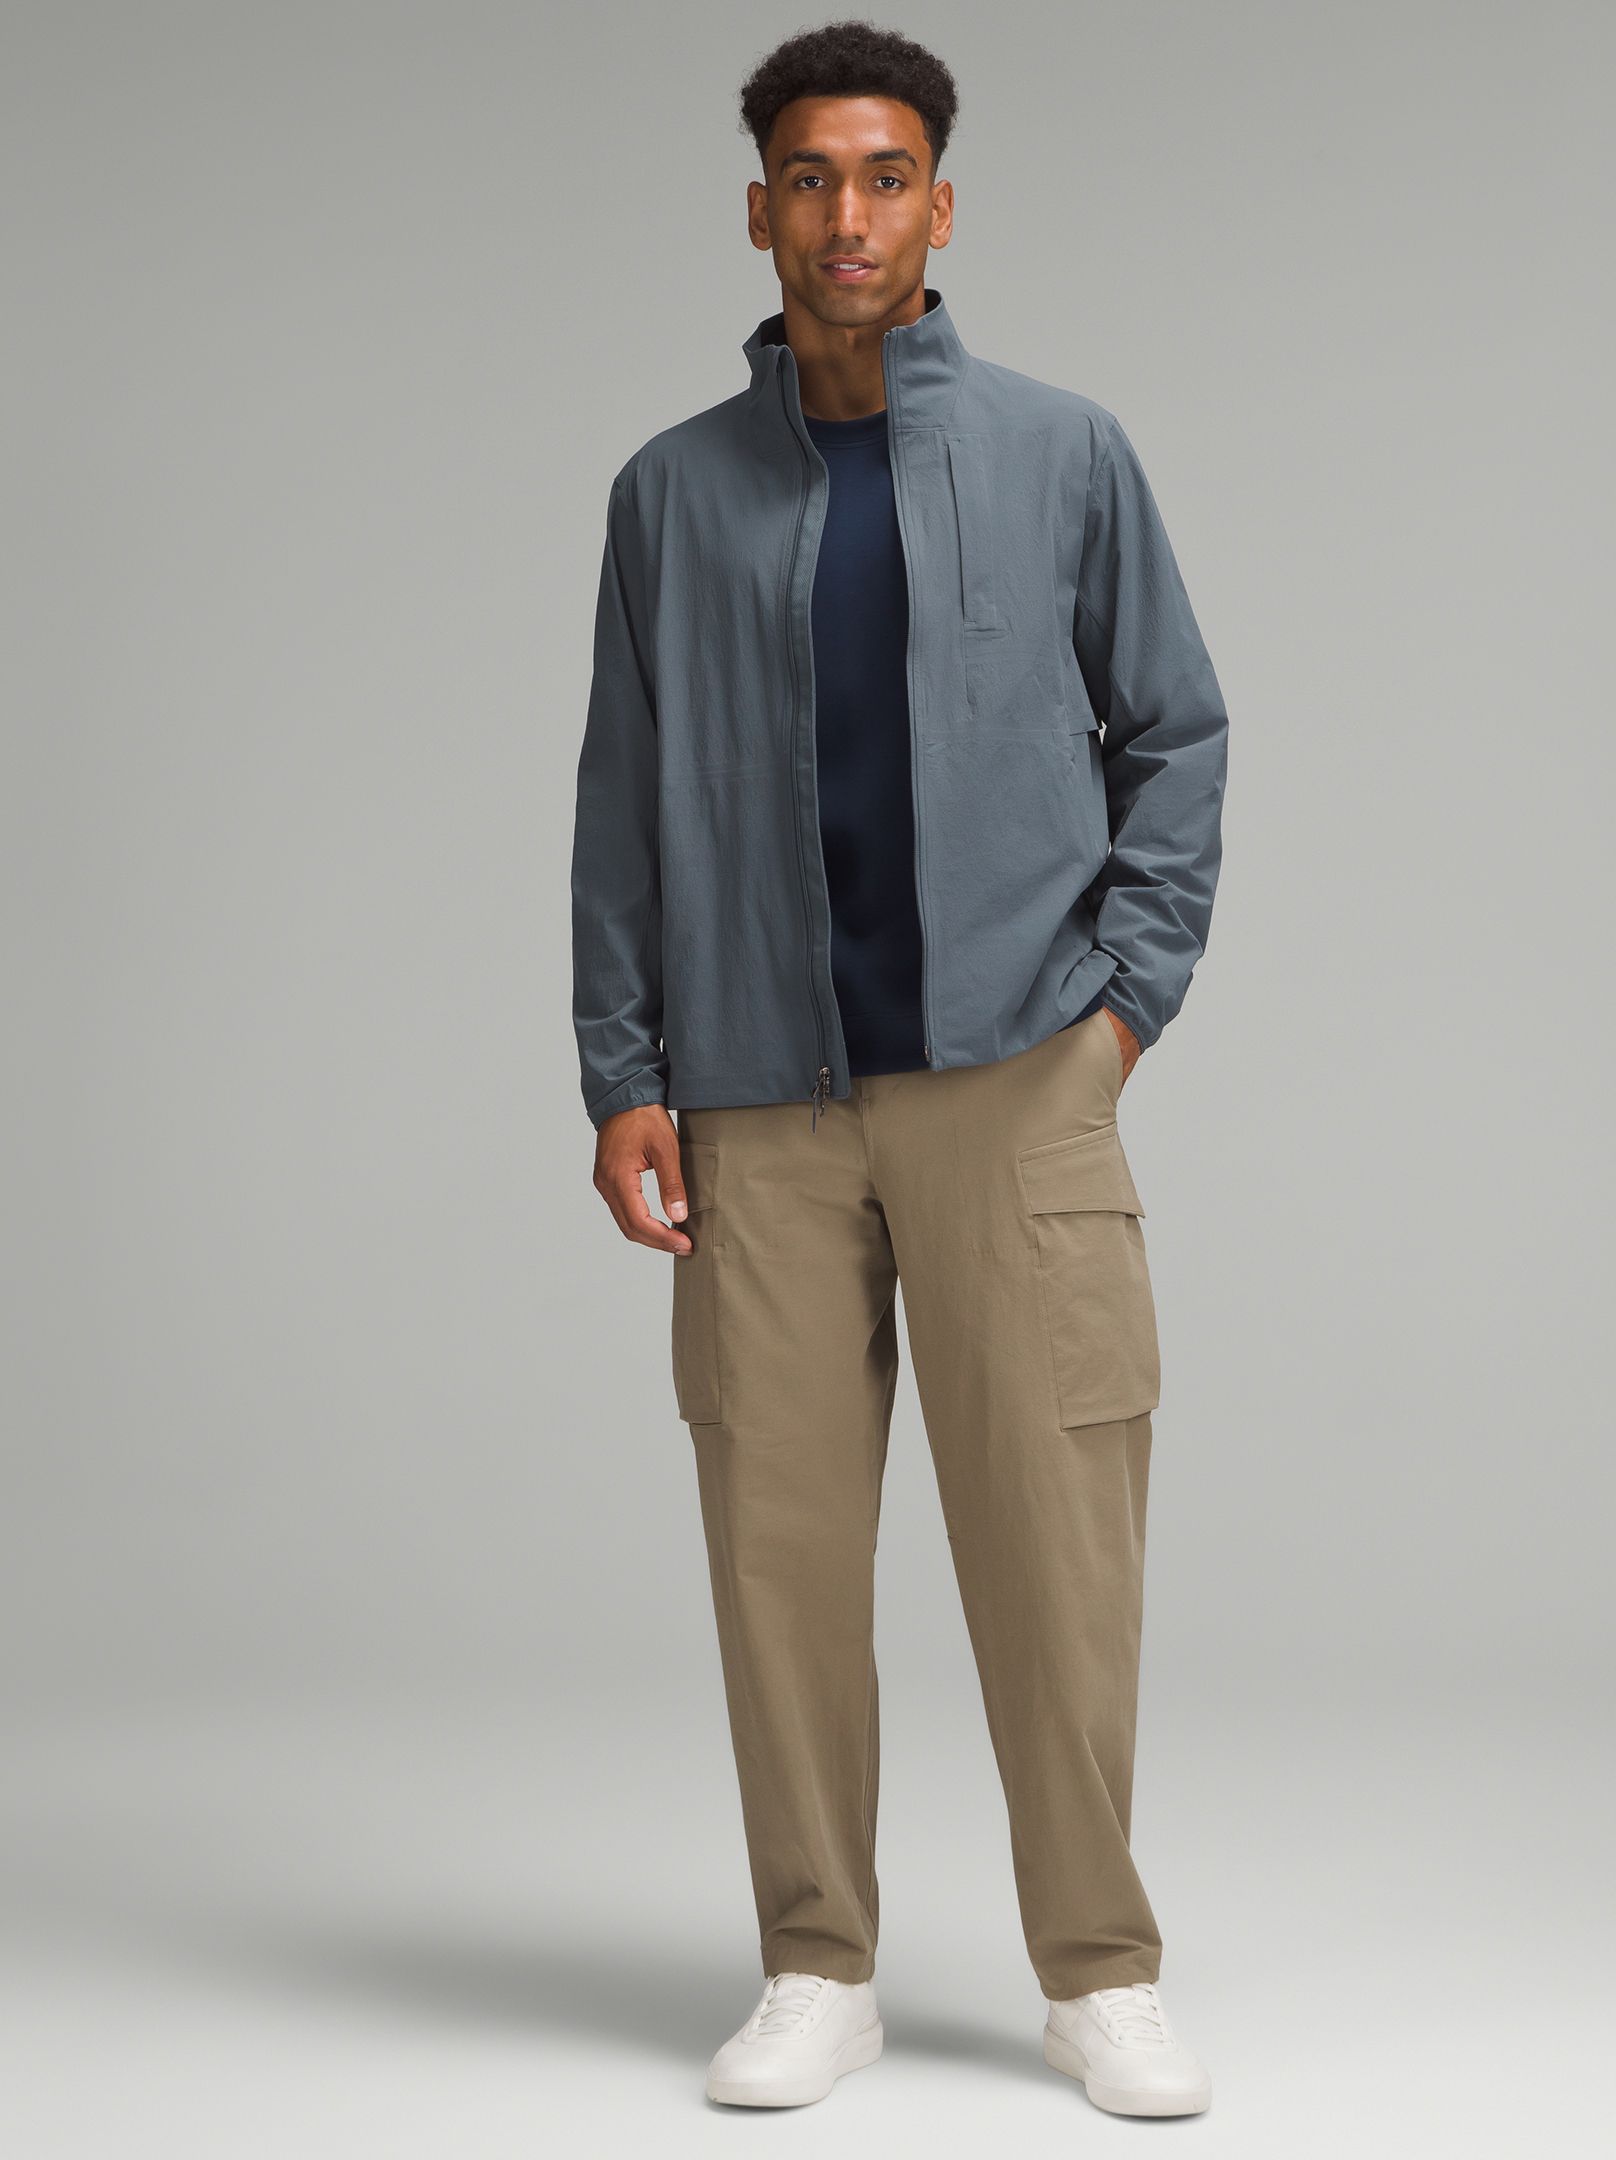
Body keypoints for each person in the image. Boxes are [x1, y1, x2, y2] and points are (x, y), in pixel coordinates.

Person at [571, 20, 1228, 2120]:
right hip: (754, 1095)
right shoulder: (672, 493)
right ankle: (815, 1962)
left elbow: (1176, 733)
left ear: (940, 205)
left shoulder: (1063, 454)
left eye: (881, 176)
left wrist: (1121, 1007)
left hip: (1015, 1077)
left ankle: (1099, 1969)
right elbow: (621, 798)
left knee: (1057, 1542)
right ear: (758, 210)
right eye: (807, 177)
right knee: (778, 1548)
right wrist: (622, 1067)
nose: (844, 216)